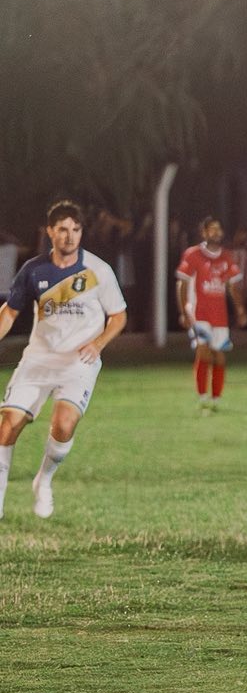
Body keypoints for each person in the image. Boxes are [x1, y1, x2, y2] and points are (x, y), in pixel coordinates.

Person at [0, 201, 128, 520]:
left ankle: (43, 481)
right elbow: (9, 313)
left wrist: (98, 343)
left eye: (75, 229)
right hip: (39, 359)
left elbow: (119, 316)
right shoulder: (33, 269)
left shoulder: (98, 271)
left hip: (78, 363)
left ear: (81, 232)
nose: (69, 236)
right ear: (50, 232)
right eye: (62, 230)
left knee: (64, 423)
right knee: (8, 426)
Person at [176, 216, 247, 412]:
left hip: (220, 315)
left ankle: (216, 399)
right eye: (212, 229)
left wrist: (240, 309)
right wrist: (183, 311)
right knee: (203, 350)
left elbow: (233, 286)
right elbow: (181, 283)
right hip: (198, 312)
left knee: (219, 355)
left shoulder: (226, 256)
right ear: (204, 233)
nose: (216, 233)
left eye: (219, 229)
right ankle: (202, 396)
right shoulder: (192, 255)